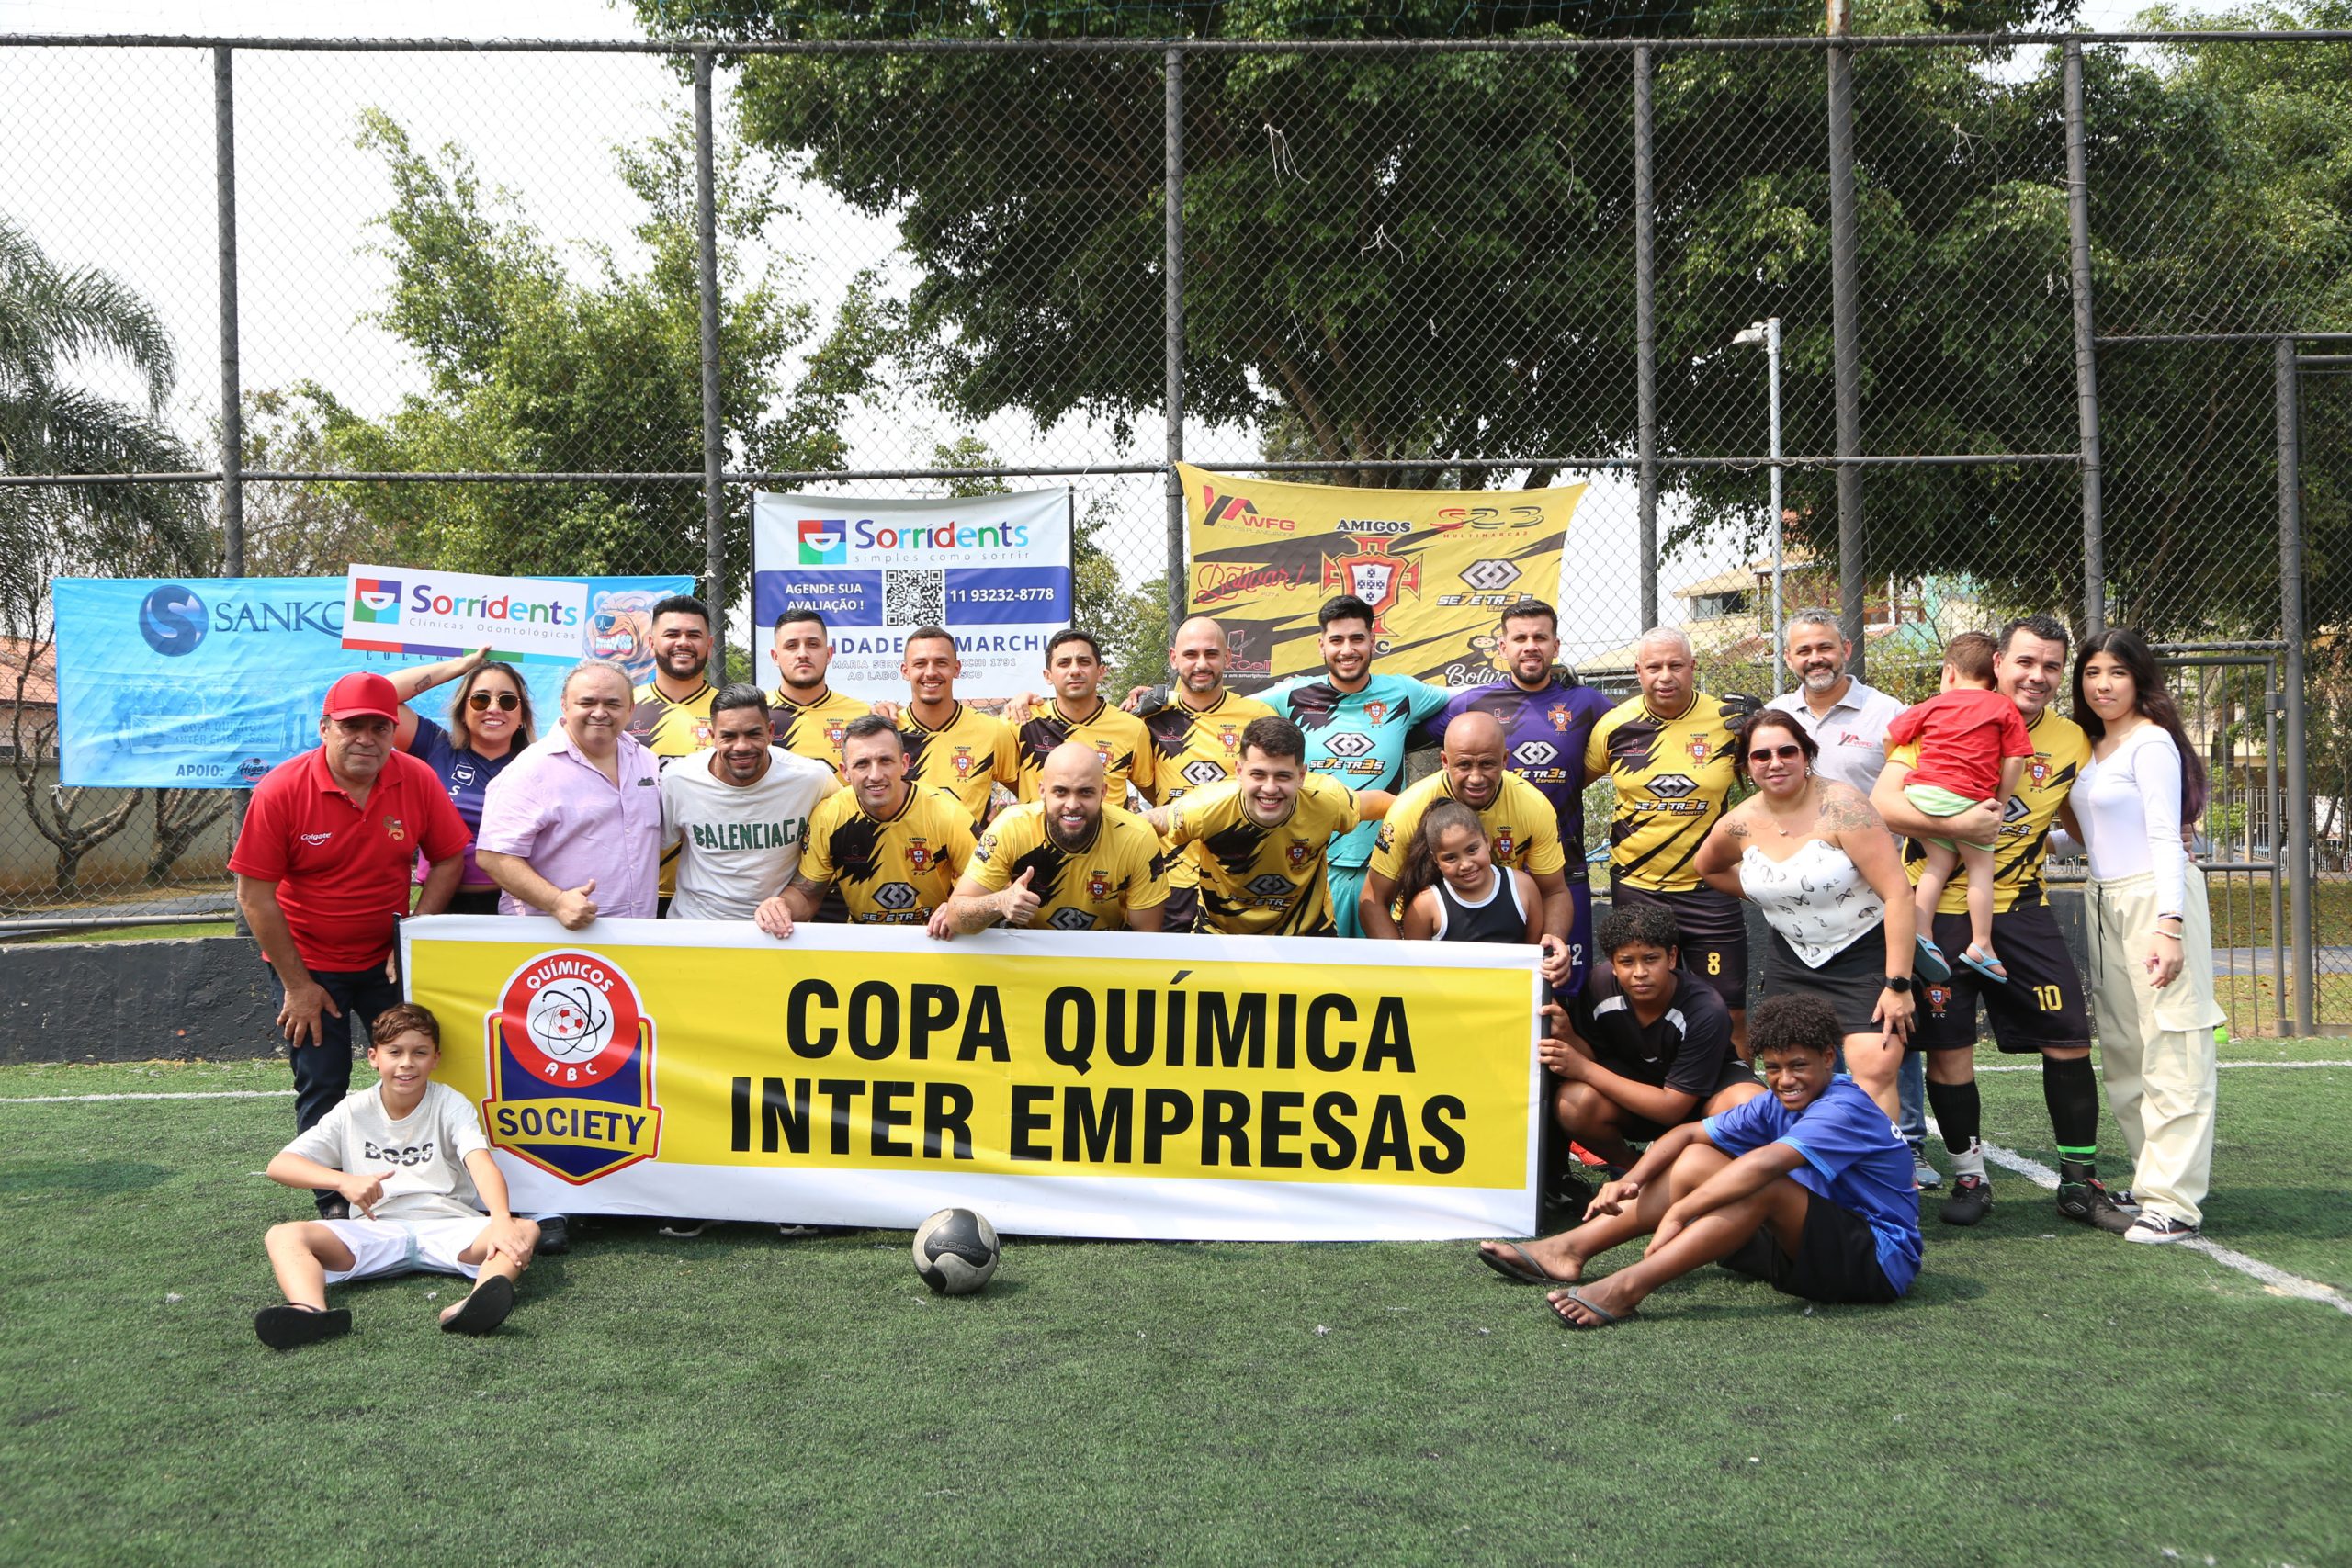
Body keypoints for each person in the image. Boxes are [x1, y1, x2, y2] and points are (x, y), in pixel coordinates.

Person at [1476, 994, 1921, 1327]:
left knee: (1761, 1185)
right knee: (1695, 1158)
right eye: (1773, 1067)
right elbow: (1689, 1133)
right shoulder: (1779, 1100)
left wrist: (1681, 1213)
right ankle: (1570, 1249)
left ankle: (1628, 1288)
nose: (1785, 1080)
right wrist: (1630, 1178)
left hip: (1876, 1263)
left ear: (1829, 1058)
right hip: (1801, 1248)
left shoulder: (1843, 1107)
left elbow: (1766, 1167)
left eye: (1798, 1066)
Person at [1872, 615, 2107, 1231]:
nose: (2038, 675)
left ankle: (2080, 1181)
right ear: (1997, 662)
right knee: (1950, 1051)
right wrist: (1962, 826)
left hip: (2024, 910)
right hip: (1939, 917)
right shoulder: (1945, 715)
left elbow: (2084, 818)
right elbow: (1885, 804)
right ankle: (1971, 1176)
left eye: (2052, 666)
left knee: (2069, 1039)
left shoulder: (2073, 740)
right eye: (2026, 661)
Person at [230, 671, 470, 1217]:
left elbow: (450, 857)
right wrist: (298, 985)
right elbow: (256, 897)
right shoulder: (282, 790)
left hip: (386, 963)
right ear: (325, 728)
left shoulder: (415, 778)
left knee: (418, 1068)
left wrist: (409, 935)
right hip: (309, 965)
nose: (366, 738)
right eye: (351, 725)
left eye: (379, 727)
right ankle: (334, 1196)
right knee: (323, 1078)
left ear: (394, 731)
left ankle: (427, 1182)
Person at [1765, 607, 1937, 1189]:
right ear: (1788, 659)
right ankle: (1815, 1149)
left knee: (1886, 1035)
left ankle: (1906, 1145)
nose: (1814, 658)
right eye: (1802, 651)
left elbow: (1917, 792)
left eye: (1824, 647)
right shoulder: (1778, 719)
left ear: (1845, 647)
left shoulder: (1890, 714)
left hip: (1875, 900)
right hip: (1801, 911)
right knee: (1812, 1043)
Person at [254, 1004, 538, 1348]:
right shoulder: (352, 1110)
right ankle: (310, 1311)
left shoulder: (451, 1103)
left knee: (524, 1228)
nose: (407, 1063)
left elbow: (480, 1163)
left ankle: (471, 1306)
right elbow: (280, 1165)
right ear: (374, 1057)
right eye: (395, 1052)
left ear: (435, 1058)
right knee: (283, 1235)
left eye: (419, 1052)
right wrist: (343, 1181)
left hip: (449, 1228)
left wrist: (501, 1219)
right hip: (374, 1229)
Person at [2066, 627, 2225, 1243]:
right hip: (2104, 897)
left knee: (2173, 1048)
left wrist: (2169, 926)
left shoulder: (2152, 743)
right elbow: (2093, 830)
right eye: (2092, 672)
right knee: (2127, 1049)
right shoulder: (2095, 746)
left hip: (2156, 897)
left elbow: (2165, 835)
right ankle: (2152, 1174)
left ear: (2140, 680)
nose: (2103, 684)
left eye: (2117, 672)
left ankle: (2176, 1202)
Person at [1693, 709, 1917, 1121]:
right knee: (1790, 1070)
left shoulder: (1845, 807)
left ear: (1807, 754)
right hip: (1793, 958)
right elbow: (1706, 868)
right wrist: (1774, 896)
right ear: (1747, 765)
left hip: (1865, 950)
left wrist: (1898, 985)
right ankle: (1801, 1170)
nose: (1775, 762)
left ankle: (1879, 1174)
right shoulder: (1739, 823)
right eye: (1761, 756)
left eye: (1786, 751)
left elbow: (1899, 894)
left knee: (1876, 1061)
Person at [1501, 904, 1762, 1188]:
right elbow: (1593, 1055)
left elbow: (1671, 1107)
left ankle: (1718, 1181)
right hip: (1636, 1090)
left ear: (1672, 957)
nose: (1640, 972)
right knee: (1572, 1103)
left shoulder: (1705, 1008)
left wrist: (1583, 1068)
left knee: (1748, 1107)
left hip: (1702, 1096)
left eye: (1651, 959)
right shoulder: (1598, 985)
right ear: (1612, 965)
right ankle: (1632, 1170)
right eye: (1627, 962)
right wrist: (1568, 1036)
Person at [1585, 626, 1758, 1052]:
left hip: (1710, 887)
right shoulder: (1613, 725)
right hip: (1639, 888)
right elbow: (1570, 787)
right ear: (1639, 672)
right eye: (1655, 667)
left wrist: (1765, 723)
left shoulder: (1729, 721)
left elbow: (1784, 773)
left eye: (1676, 665)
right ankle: (1655, 1100)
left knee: (1728, 1010)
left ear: (1693, 668)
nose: (1666, 676)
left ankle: (1736, 1109)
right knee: (1645, 1005)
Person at [1434, 599, 1614, 991]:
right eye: (1520, 638)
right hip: (1490, 869)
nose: (1530, 645)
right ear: (1503, 648)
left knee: (1565, 982)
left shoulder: (1585, 702)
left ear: (1556, 646)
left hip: (1565, 870)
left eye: (1540, 637)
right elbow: (1405, 728)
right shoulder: (1471, 704)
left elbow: (1643, 723)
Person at [1260, 595, 1453, 938]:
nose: (1346, 649)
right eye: (1336, 640)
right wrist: (1161, 698)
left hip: (1382, 868)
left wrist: (1536, 689)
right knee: (1315, 976)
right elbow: (1223, 710)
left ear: (1372, 641)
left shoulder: (1403, 692)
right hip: (1313, 865)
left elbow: (1472, 698)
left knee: (1384, 976)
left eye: (1356, 638)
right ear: (1321, 646)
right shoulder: (1291, 696)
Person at [1359, 712, 1574, 987]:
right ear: (1445, 761)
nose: (1476, 777)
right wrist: (1405, 967)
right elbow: (1373, 901)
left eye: (1487, 764)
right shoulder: (1408, 809)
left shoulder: (1533, 806)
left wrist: (1550, 943)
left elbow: (1554, 890)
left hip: (1502, 941)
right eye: (1464, 765)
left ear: (1505, 760)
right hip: (1427, 939)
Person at [1148, 715, 1392, 936]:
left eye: (1283, 776)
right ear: (1239, 772)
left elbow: (1385, 804)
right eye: (1258, 774)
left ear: (1302, 776)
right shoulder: (1206, 807)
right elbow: (1152, 822)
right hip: (1220, 936)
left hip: (1307, 935)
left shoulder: (1327, 800)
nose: (1269, 788)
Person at [1884, 631, 2035, 983]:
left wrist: (1896, 760)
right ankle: (1981, 944)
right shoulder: (2003, 707)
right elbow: (2015, 759)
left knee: (1938, 862)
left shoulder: (1933, 704)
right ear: (1995, 672)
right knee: (1980, 866)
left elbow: (1889, 736)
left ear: (1949, 672)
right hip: (1968, 796)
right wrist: (1998, 798)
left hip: (1925, 794)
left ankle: (1923, 932)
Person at [475, 659, 663, 929]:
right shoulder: (531, 769)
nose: (600, 713)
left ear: (631, 709)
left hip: (635, 935)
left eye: (613, 704)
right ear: (564, 705)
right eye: (587, 703)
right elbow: (493, 855)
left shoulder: (645, 760)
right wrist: (556, 901)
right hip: (556, 942)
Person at [753, 716, 976, 935]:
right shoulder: (830, 816)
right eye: (862, 764)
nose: (875, 775)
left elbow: (990, 888)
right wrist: (781, 906)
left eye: (885, 761)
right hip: (865, 943)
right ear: (845, 772)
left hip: (936, 940)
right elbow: (807, 895)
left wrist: (957, 907)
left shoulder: (948, 814)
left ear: (905, 764)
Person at [933, 741, 1170, 936]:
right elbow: (956, 916)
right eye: (1061, 791)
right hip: (1027, 953)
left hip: (1105, 954)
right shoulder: (1012, 827)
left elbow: (1146, 939)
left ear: (1104, 792)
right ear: (1042, 791)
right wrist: (1001, 902)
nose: (1072, 805)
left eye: (1086, 792)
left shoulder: (1137, 837)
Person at [1134, 615, 1277, 932]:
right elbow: (1140, 781)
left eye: (1211, 654)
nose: (1201, 664)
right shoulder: (1149, 718)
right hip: (1171, 878)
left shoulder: (1257, 717)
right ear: (1174, 658)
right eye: (1190, 654)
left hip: (1237, 875)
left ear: (1227, 657)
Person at [658, 684, 840, 922]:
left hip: (779, 927)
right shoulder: (678, 780)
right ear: (712, 737)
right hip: (697, 924)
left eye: (753, 734)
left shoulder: (811, 779)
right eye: (729, 736)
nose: (742, 746)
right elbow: (640, 847)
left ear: (770, 731)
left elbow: (846, 825)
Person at [388, 648, 536, 915]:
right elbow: (381, 695)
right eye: (480, 699)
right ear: (462, 710)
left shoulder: (539, 763)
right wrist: (460, 666)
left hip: (517, 909)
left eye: (507, 701)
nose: (494, 708)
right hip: (442, 905)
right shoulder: (435, 747)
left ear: (522, 715)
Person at [897, 626, 1022, 828]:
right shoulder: (888, 733)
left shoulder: (992, 732)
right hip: (900, 857)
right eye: (920, 664)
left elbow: (1028, 796)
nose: (930, 672)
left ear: (956, 668)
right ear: (905, 671)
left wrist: (1006, 823)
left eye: (941, 663)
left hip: (971, 858)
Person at [1015, 628, 1156, 807]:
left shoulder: (1132, 728)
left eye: (1084, 662)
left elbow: (1153, 793)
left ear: (1100, 672)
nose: (1074, 670)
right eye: (1064, 663)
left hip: (1108, 834)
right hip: (1038, 834)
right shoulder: (1023, 721)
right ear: (1048, 675)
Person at [1394, 800, 1541, 945]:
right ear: (1436, 860)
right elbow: (1415, 966)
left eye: (1472, 850)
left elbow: (1536, 955)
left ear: (1487, 840)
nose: (1466, 865)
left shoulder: (1522, 886)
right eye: (1450, 858)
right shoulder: (1425, 906)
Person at [766, 607, 878, 779]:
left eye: (813, 644)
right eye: (791, 646)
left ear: (828, 654)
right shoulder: (757, 713)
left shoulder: (862, 715)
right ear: (775, 657)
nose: (802, 654)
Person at [626, 592, 719, 756]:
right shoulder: (625, 707)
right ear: (651, 644)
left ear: (709, 646)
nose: (683, 642)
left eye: (694, 635)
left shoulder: (730, 709)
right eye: (672, 635)